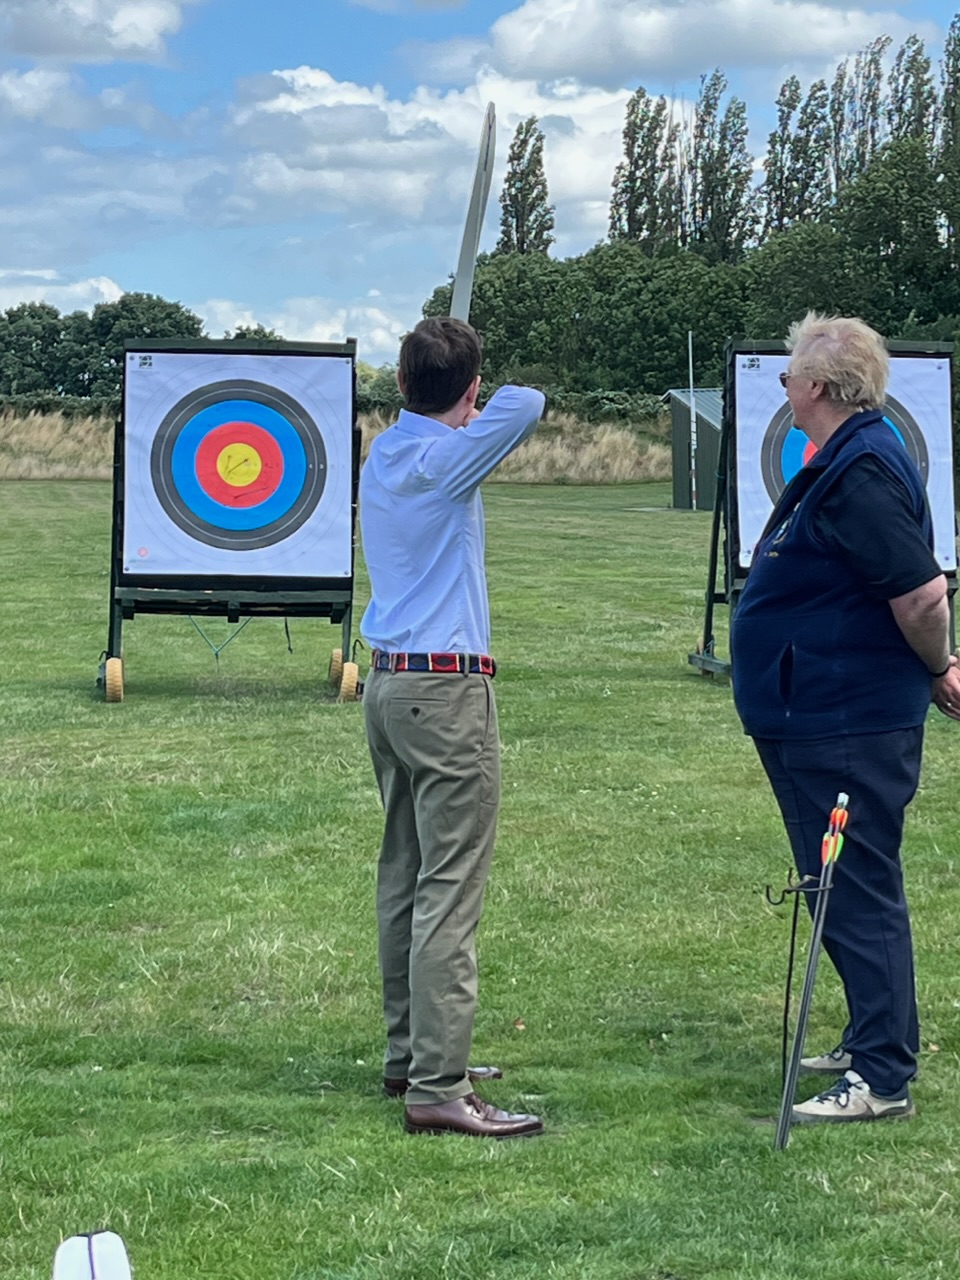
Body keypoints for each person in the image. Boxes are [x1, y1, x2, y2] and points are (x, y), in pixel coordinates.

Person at [732, 312, 960, 1125]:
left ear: (820, 388)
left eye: (791, 376)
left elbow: (924, 593)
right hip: (823, 713)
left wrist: (939, 667)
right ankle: (874, 1033)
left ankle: (882, 1076)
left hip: (846, 719)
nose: (785, 387)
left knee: (856, 888)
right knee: (841, 884)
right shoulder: (851, 459)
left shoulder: (862, 468)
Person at [359, 316, 546, 1139]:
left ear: (401, 386)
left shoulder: (387, 450)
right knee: (449, 888)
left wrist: (454, 393)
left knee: (406, 870)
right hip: (444, 693)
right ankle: (439, 1085)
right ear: (469, 391)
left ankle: (413, 1054)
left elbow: (478, 403)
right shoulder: (445, 459)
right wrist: (472, 401)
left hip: (390, 687)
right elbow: (529, 401)